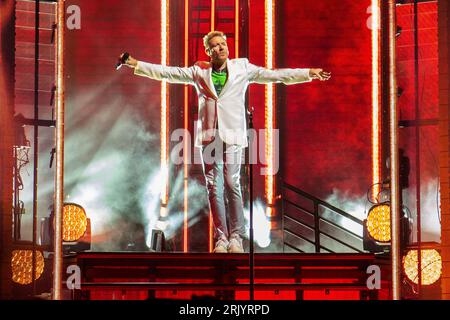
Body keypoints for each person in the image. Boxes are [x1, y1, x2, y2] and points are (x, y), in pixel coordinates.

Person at [120, 31, 331, 253]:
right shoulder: (199, 70)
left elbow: (275, 75)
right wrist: (135, 64)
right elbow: (167, 73)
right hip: (210, 136)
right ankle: (221, 237)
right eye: (215, 46)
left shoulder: (242, 67)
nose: (221, 48)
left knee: (232, 183)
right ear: (208, 52)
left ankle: (236, 237)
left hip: (233, 134)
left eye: (223, 44)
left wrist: (309, 73)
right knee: (213, 187)